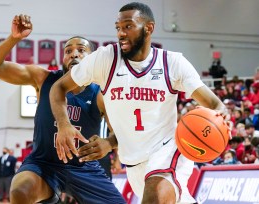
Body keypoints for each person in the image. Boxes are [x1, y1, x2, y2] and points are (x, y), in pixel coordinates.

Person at [49, 2, 230, 203]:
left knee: (154, 195)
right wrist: (67, 125)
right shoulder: (105, 59)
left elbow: (215, 104)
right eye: (118, 28)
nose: (121, 33)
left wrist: (222, 116)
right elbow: (58, 88)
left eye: (128, 26)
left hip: (167, 151)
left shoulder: (172, 63)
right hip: (133, 165)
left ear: (148, 28)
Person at [0, 14, 125, 204]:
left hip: (84, 168)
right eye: (68, 50)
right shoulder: (43, 78)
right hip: (42, 164)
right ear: (63, 58)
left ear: (92, 58)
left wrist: (109, 144)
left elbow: (121, 133)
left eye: (81, 50)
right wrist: (13, 38)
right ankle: (51, 193)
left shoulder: (100, 92)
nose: (74, 54)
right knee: (20, 191)